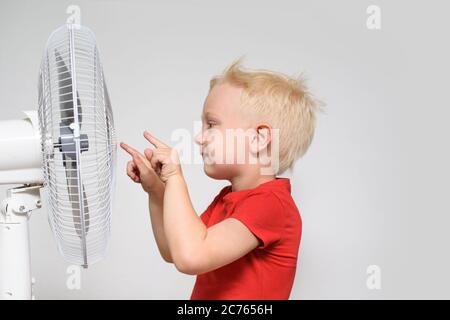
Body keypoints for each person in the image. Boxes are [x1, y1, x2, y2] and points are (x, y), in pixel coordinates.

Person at [120, 60, 322, 299]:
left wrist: (175, 178)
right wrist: (156, 190)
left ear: (258, 139)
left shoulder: (272, 205)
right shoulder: (227, 199)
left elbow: (190, 257)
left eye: (211, 125)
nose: (199, 137)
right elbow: (174, 250)